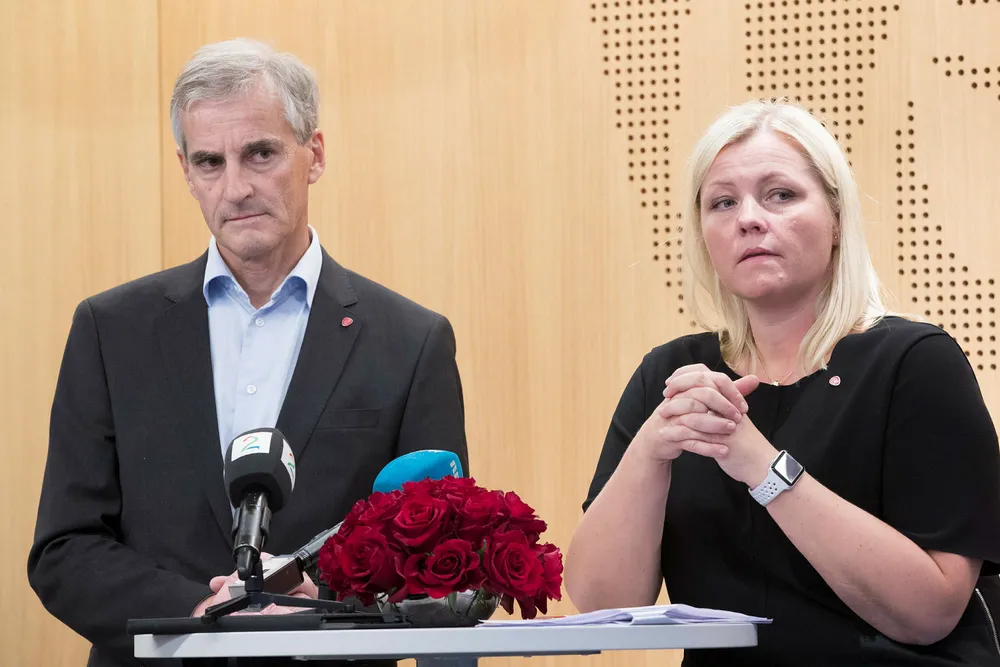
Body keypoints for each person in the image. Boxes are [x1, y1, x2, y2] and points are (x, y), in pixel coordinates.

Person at [27, 38, 469, 667]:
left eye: (260, 153)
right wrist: (198, 611)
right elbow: (65, 549)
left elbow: (440, 567)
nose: (235, 188)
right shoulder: (110, 331)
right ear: (186, 172)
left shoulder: (411, 342)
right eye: (210, 162)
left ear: (314, 155)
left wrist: (330, 607)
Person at [565, 99, 1000, 665]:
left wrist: (763, 468)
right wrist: (651, 450)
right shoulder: (670, 377)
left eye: (780, 195)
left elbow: (930, 610)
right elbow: (604, 606)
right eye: (723, 202)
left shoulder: (914, 362)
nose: (748, 218)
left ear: (837, 219)